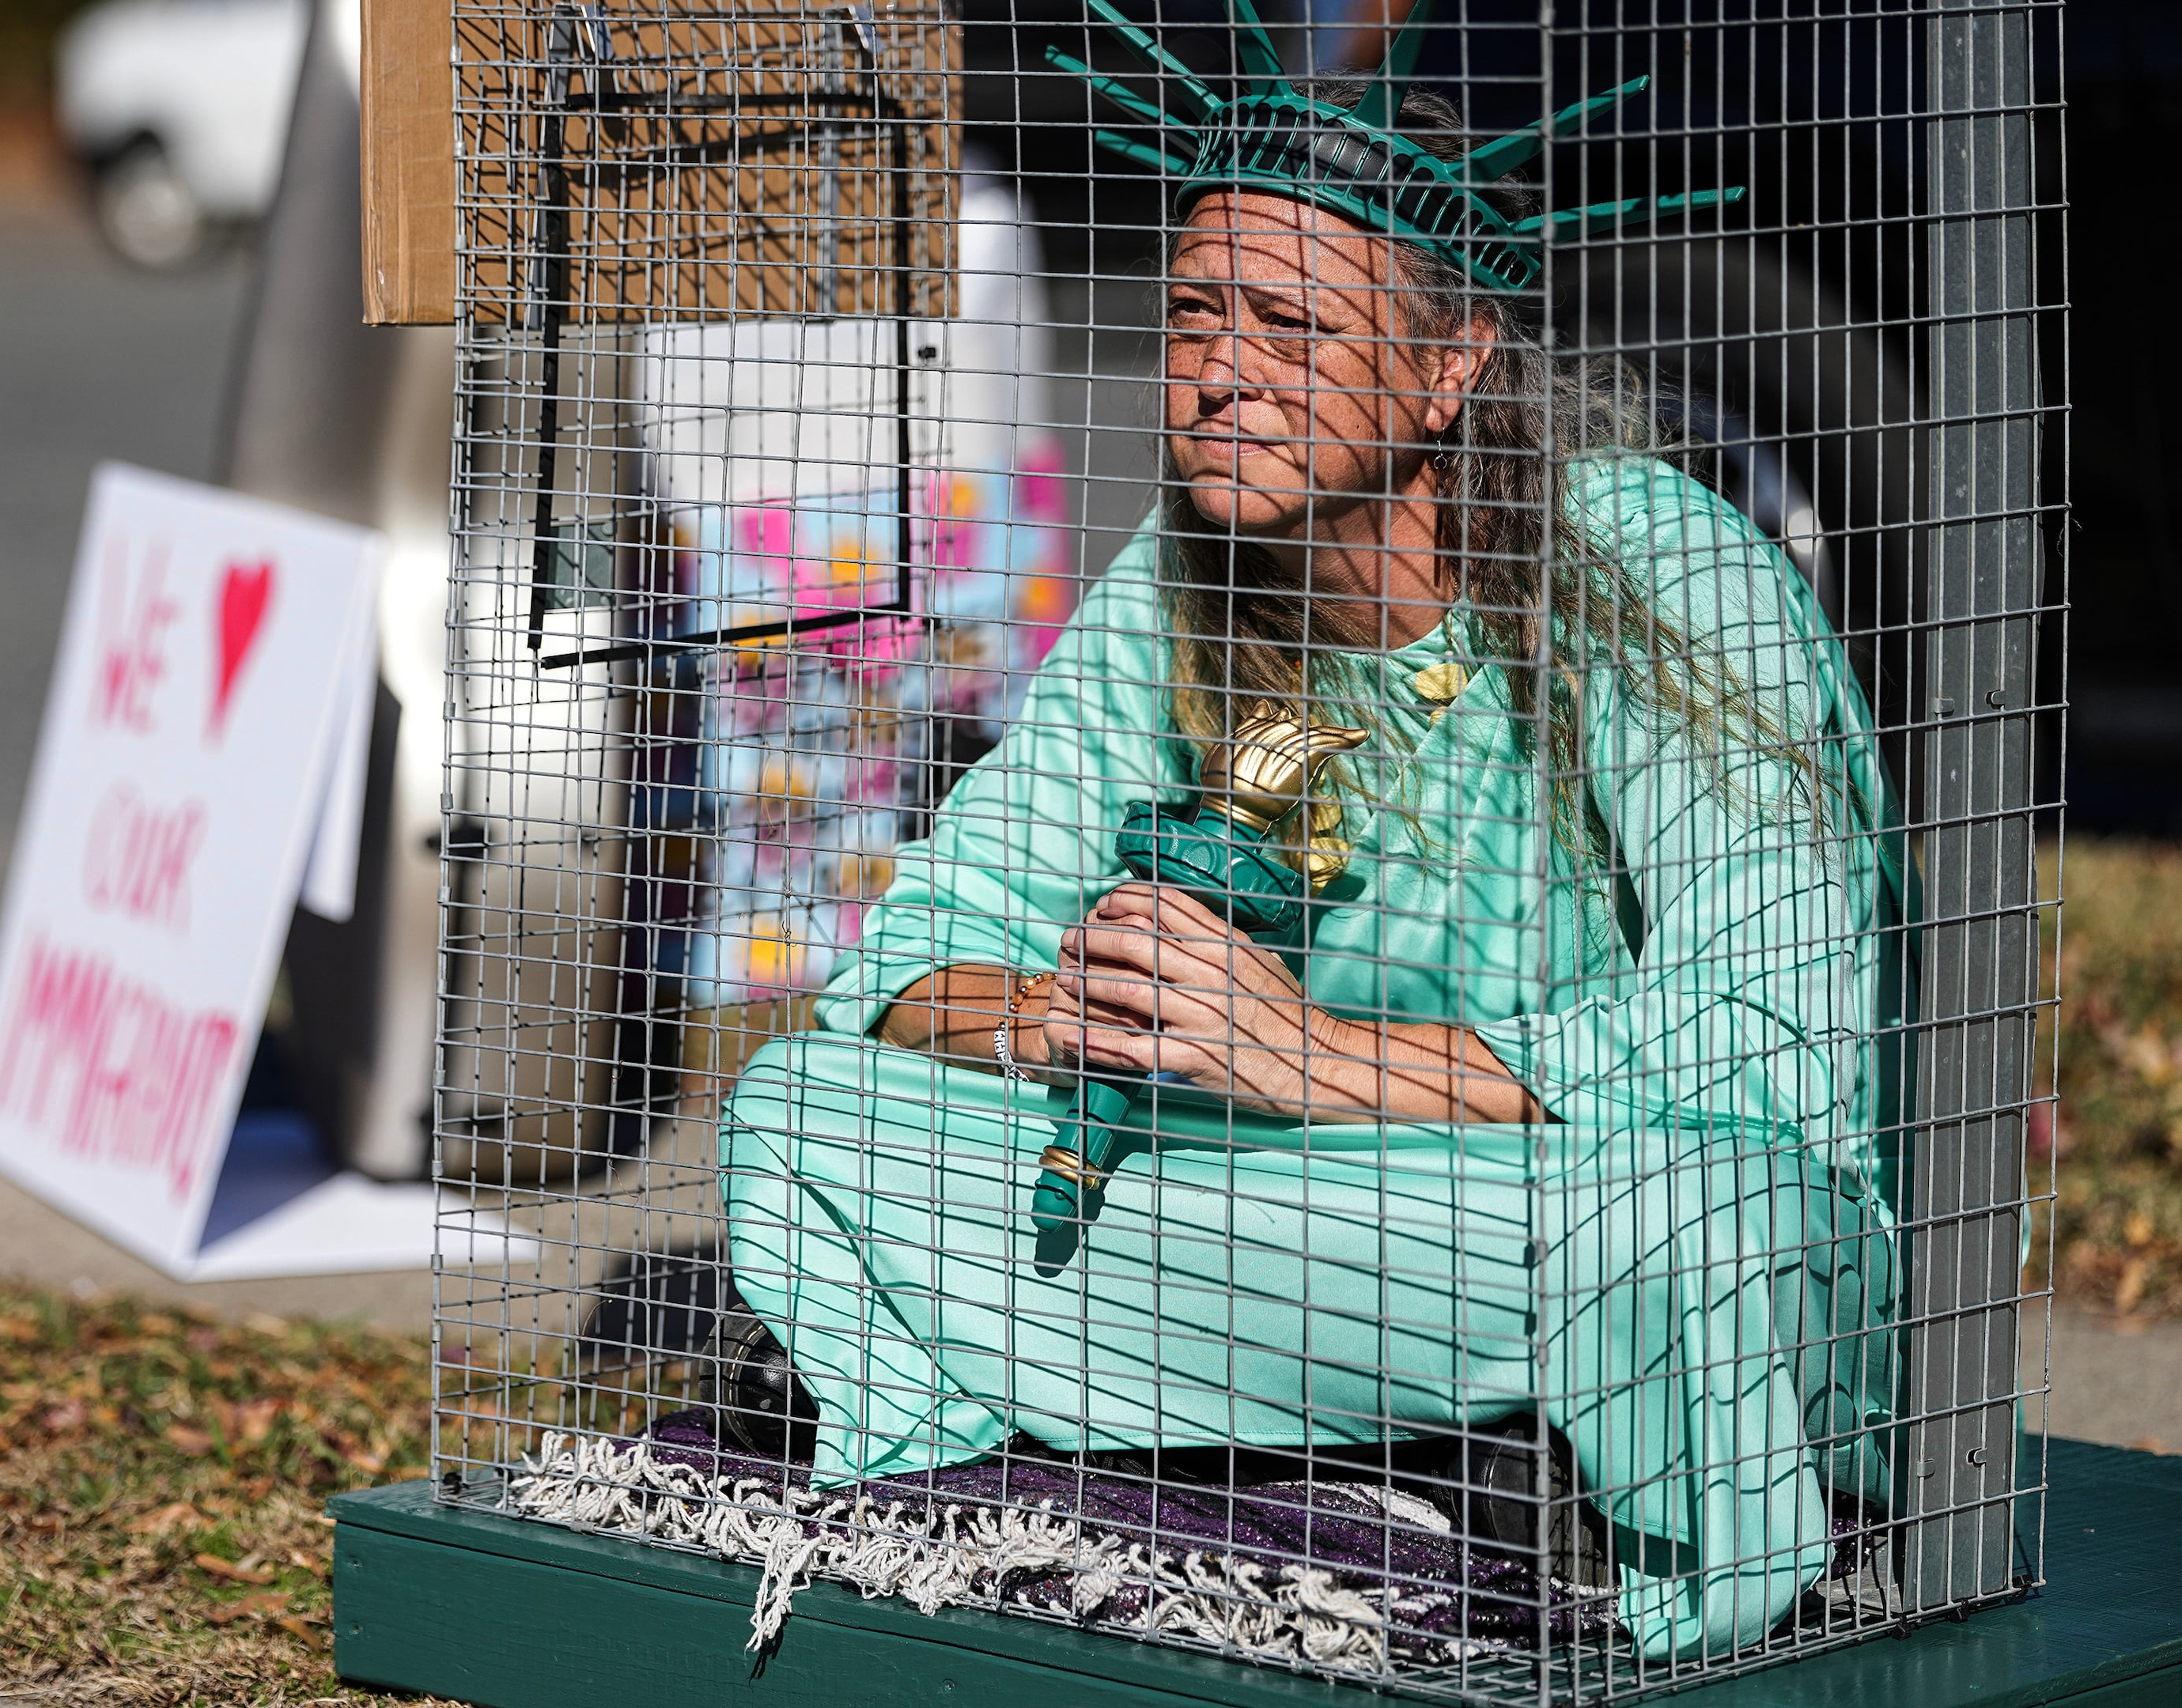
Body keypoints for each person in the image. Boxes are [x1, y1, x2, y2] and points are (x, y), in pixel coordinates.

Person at [711, 25, 1904, 1661]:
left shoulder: (1654, 569)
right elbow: (912, 958)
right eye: (1196, 313)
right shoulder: (1177, 581)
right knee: (805, 1117)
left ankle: (1544, 1518)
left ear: (1451, 360)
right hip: (1323, 1208)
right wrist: (1071, 1018)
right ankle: (1351, 1474)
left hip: (1599, 1202)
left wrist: (1315, 1057)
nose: (1220, 374)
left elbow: (1773, 1047)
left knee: (1689, 1222)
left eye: (1291, 324)